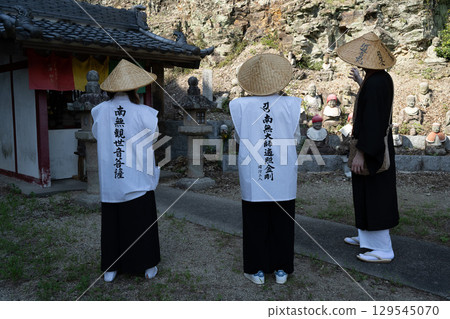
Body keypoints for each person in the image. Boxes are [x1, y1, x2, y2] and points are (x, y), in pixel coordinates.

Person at [229, 53, 302, 284]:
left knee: (255, 220)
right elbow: (296, 137)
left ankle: (256, 269)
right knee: (282, 218)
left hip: (253, 169)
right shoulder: (291, 104)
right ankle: (281, 269)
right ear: (278, 79)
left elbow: (240, 138)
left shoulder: (239, 105)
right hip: (282, 168)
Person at [91, 59, 161, 281]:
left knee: (113, 222)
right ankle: (147, 265)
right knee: (141, 221)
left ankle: (111, 269)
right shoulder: (145, 112)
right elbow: (154, 138)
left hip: (112, 179)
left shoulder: (99, 111)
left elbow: (96, 135)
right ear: (134, 88)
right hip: (138, 177)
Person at [337, 32, 399, 263]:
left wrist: (361, 153)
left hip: (372, 149)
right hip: (374, 145)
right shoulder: (379, 79)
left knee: (375, 194)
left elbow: (373, 120)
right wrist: (360, 83)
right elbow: (374, 105)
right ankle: (367, 238)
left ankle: (383, 249)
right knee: (365, 191)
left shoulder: (375, 83)